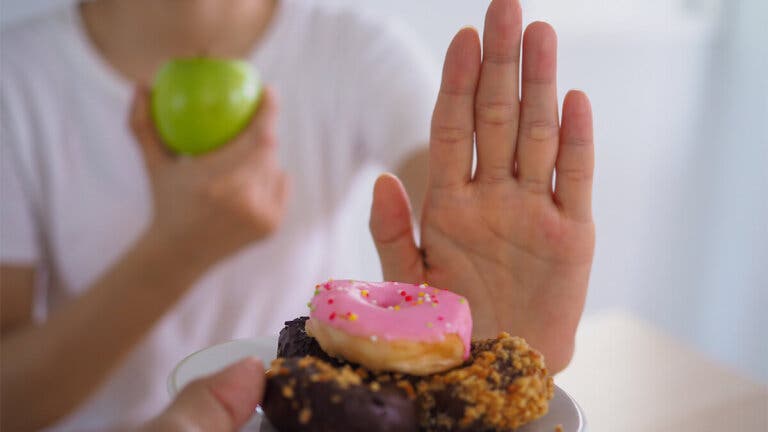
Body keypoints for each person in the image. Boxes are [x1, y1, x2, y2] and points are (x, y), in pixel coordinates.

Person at [0, 0, 595, 430]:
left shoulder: (356, 50)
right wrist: (176, 252)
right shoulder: (16, 79)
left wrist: (490, 351)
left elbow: (463, 199)